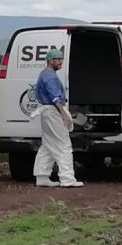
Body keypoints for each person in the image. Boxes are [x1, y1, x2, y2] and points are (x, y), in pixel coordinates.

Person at [31, 49, 84, 188]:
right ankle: (67, 178)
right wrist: (64, 114)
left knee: (48, 145)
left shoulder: (45, 74)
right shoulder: (50, 77)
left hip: (47, 112)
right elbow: (55, 97)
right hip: (53, 112)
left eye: (61, 59)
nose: (60, 62)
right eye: (57, 59)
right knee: (63, 145)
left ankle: (41, 176)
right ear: (50, 61)